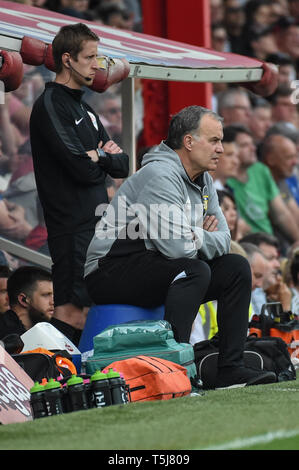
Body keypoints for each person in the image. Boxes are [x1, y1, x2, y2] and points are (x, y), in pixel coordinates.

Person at [84, 105, 276, 389]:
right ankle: (174, 369)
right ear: (188, 141)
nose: (221, 149)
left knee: (236, 266)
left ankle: (230, 369)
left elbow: (225, 239)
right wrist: (197, 235)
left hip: (156, 264)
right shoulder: (160, 175)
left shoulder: (204, 179)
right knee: (194, 270)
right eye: (214, 140)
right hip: (108, 270)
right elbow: (177, 249)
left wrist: (191, 235)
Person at [29, 23, 129, 345]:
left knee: (88, 306)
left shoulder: (85, 108)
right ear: (68, 59)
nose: (97, 65)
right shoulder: (50, 105)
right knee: (71, 311)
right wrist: (101, 157)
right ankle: (57, 377)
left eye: (98, 57)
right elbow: (79, 168)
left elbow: (123, 164)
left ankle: (83, 375)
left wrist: (96, 156)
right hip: (71, 226)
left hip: (96, 223)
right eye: (90, 57)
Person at [226, 125, 299, 245]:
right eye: (245, 145)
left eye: (252, 144)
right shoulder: (225, 179)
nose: (253, 148)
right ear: (229, 149)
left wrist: (297, 241)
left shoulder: (261, 170)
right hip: (248, 245)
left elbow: (281, 214)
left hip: (271, 243)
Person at [0, 266, 54, 339]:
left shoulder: (47, 333)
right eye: (46, 295)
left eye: (53, 295)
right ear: (23, 300)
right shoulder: (5, 336)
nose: (53, 302)